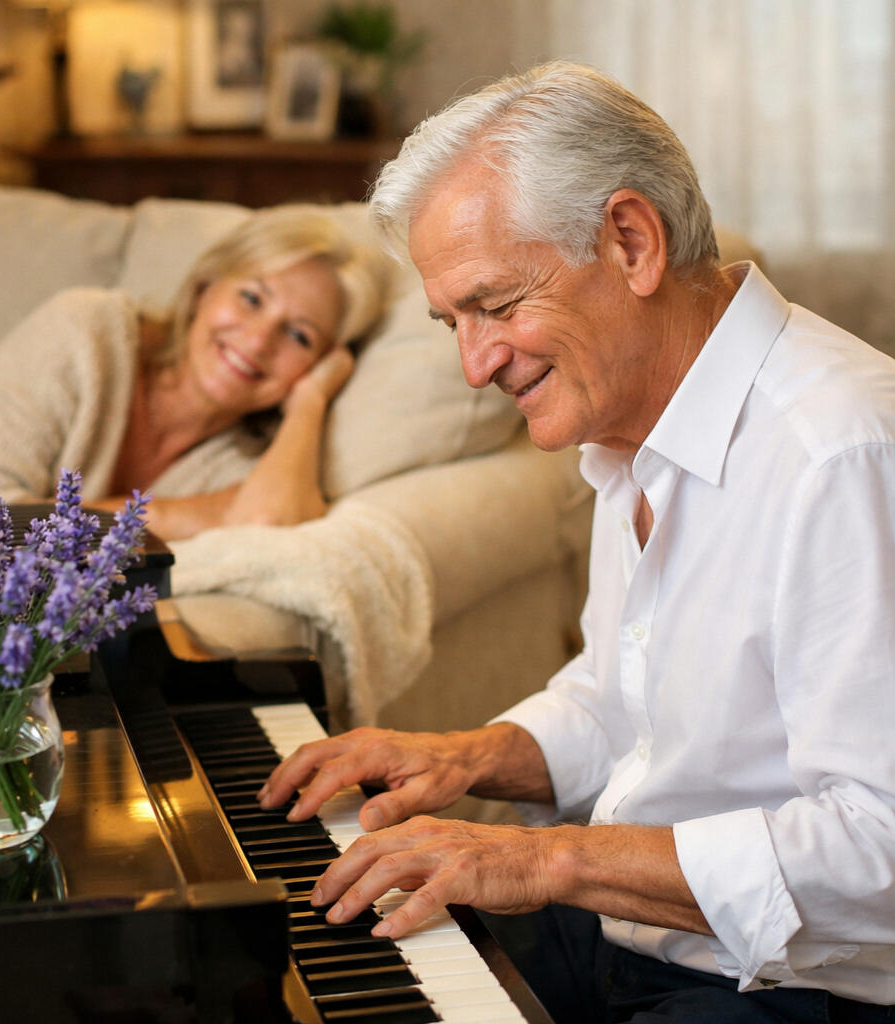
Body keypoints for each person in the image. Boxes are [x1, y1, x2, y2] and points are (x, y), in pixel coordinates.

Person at [256, 61, 895, 1021]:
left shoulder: (840, 453)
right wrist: (467, 758)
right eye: (452, 322)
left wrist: (546, 856)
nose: (475, 364)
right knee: (296, 963)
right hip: (633, 936)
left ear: (630, 241)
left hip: (797, 988)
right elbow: (621, 705)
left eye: (497, 305)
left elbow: (879, 845)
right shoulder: (632, 424)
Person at [0, 206, 390, 540]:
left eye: (299, 336)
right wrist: (161, 517)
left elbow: (271, 520)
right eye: (251, 298)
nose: (258, 341)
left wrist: (310, 402)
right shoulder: (86, 330)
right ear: (204, 287)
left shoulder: (242, 459)